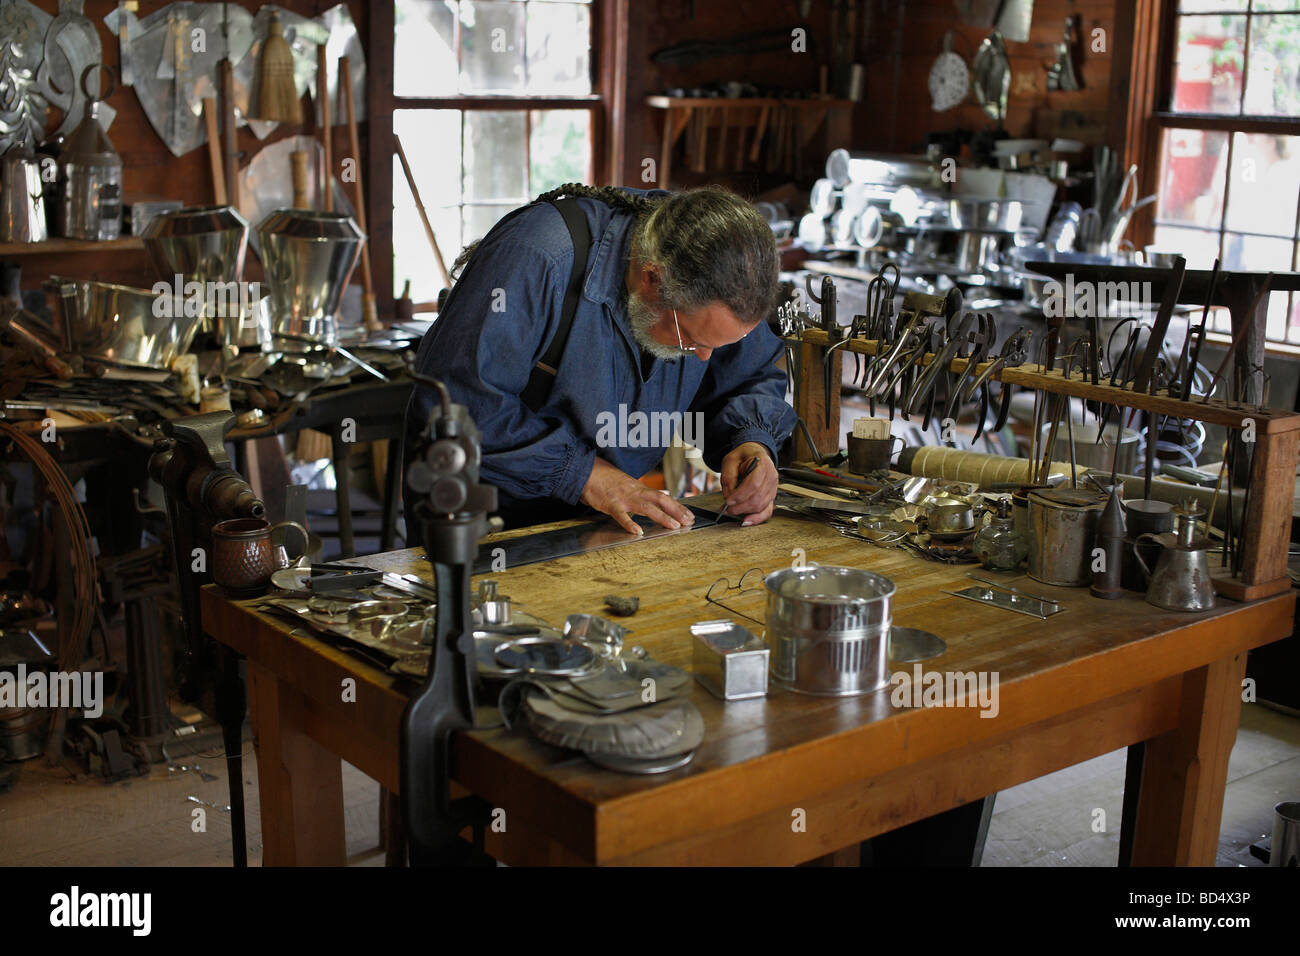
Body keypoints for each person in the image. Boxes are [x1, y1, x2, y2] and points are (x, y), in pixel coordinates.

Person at [406, 184, 796, 533]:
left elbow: (749, 374)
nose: (704, 357)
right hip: (482, 516)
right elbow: (457, 404)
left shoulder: (725, 278)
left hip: (596, 519)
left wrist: (751, 442)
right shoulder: (537, 257)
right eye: (690, 339)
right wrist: (584, 474)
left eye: (720, 346)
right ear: (652, 280)